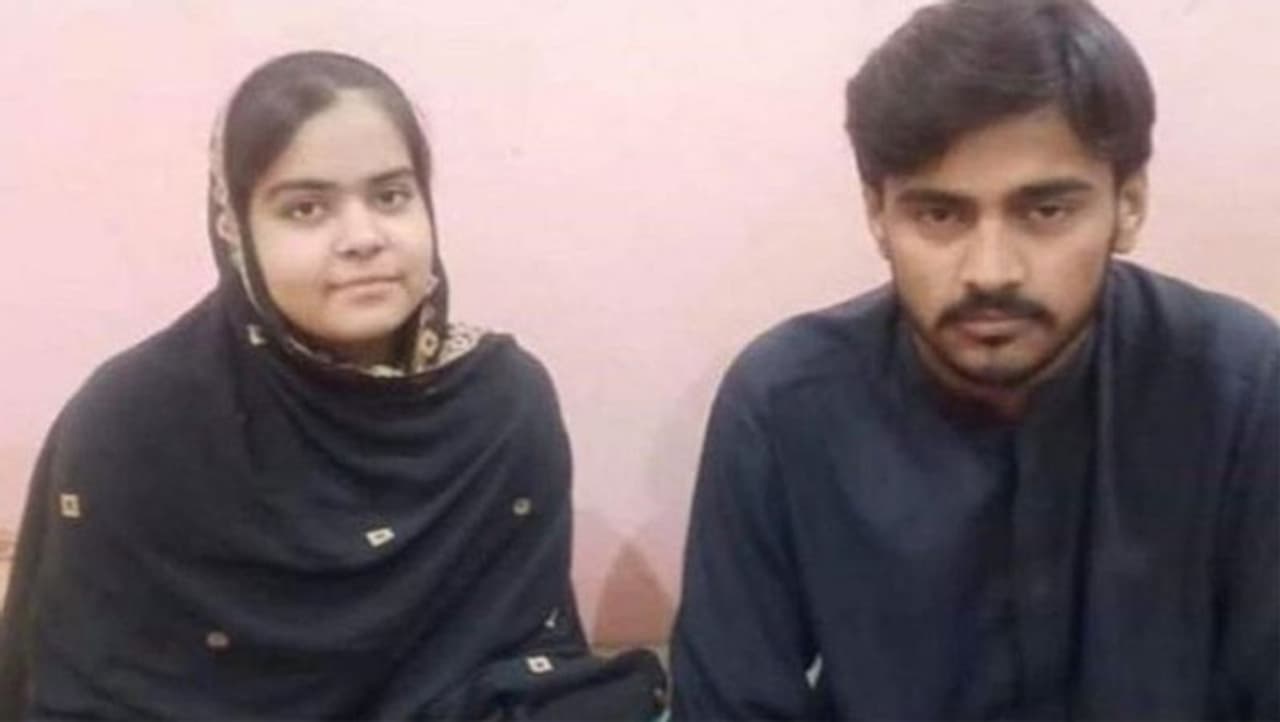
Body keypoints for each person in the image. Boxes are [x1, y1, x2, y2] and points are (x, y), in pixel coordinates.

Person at [0, 51, 664, 719]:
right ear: (235, 230)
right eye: (306, 208)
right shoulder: (136, 424)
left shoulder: (500, 402)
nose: (363, 238)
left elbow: (523, 664)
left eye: (391, 196)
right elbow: (95, 698)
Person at [670, 0, 1279, 719]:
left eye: (1045, 211)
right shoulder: (783, 407)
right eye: (939, 214)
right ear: (877, 214)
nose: (990, 271)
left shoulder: (1241, 390)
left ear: (1130, 205)